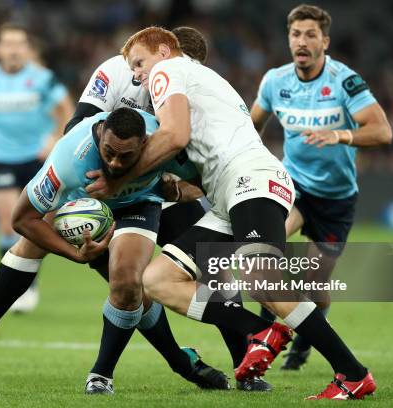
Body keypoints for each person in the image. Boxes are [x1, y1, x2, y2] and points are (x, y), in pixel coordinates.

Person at [87, 26, 376, 400]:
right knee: (158, 279)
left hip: (250, 179)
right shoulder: (202, 80)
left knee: (262, 279)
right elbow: (196, 166)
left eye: (139, 63)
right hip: (228, 192)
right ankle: (260, 331)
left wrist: (117, 178)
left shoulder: (169, 71)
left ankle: (352, 373)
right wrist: (170, 187)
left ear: (162, 51)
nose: (137, 74)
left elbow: (174, 135)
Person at [0, 108, 230, 395]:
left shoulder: (164, 140)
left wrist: (178, 190)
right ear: (99, 134)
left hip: (140, 202)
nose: (115, 162)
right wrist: (76, 254)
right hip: (83, 202)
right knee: (31, 244)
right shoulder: (70, 158)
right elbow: (22, 218)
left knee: (131, 281)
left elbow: (208, 181)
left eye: (126, 156)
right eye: (109, 152)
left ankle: (102, 375)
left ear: (145, 145)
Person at [65, 27, 268, 391]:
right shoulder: (116, 71)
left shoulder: (185, 91)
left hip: (161, 192)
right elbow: (75, 129)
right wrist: (114, 177)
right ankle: (115, 371)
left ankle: (245, 368)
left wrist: (184, 187)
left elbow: (193, 160)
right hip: (115, 192)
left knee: (215, 268)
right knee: (128, 283)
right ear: (165, 54)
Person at [251, 4, 392, 370]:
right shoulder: (274, 82)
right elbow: (251, 128)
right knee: (264, 253)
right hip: (293, 185)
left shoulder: (345, 81)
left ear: (324, 41)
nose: (302, 41)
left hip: (336, 198)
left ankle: (307, 336)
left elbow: (382, 131)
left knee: (314, 285)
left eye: (310, 34)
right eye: (296, 34)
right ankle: (262, 338)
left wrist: (340, 134)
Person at [0, 22, 74, 312]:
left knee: (35, 225)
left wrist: (55, 138)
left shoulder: (43, 79)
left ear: (27, 49)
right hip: (1, 157)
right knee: (7, 223)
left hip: (38, 159)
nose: (13, 49)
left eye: (19, 43)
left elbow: (68, 111)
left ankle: (27, 286)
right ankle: (19, 289)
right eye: (8, 44)